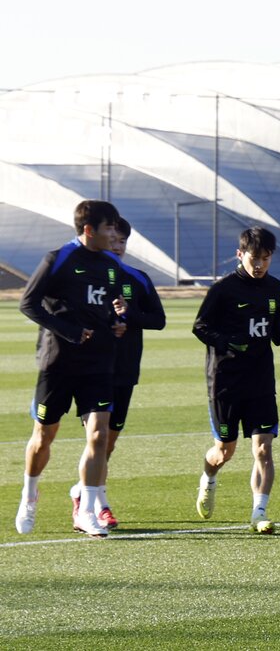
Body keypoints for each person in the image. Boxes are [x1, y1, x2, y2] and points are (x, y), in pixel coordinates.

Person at [16, 200, 129, 537]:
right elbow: (28, 303)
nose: (114, 234)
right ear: (89, 229)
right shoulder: (58, 259)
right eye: (109, 228)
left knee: (98, 434)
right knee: (43, 436)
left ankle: (88, 510)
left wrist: (118, 320)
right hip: (58, 362)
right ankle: (29, 495)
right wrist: (67, 330)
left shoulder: (111, 265)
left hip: (99, 362)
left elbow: (110, 305)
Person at [192, 227, 280, 534]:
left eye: (266, 258)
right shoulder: (223, 289)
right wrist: (227, 342)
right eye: (254, 258)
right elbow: (200, 327)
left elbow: (274, 326)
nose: (259, 264)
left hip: (260, 379)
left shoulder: (276, 289)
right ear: (240, 254)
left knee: (263, 449)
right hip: (225, 381)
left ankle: (258, 513)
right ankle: (208, 478)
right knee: (225, 451)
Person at [69, 216, 166, 530]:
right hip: (91, 368)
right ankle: (97, 505)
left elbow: (159, 320)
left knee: (108, 443)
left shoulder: (137, 278)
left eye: (122, 241)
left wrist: (130, 314)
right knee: (96, 438)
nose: (117, 246)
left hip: (124, 369)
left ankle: (82, 491)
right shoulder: (83, 276)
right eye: (112, 240)